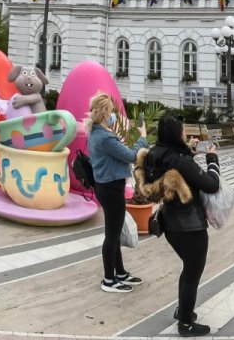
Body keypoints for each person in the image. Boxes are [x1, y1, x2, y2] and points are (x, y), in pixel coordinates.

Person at [139, 114, 221, 337]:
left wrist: (188, 150)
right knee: (193, 273)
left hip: (169, 224)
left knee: (188, 269)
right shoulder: (180, 161)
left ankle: (183, 311)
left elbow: (173, 165)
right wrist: (212, 159)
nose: (186, 134)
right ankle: (185, 323)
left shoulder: (154, 155)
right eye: (183, 131)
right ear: (176, 134)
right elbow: (211, 185)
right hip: (190, 227)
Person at [86, 92, 147, 293]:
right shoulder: (104, 137)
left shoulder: (98, 132)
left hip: (108, 186)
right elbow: (131, 156)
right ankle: (108, 279)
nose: (114, 114)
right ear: (104, 113)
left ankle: (119, 272)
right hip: (111, 188)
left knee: (116, 230)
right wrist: (143, 137)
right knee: (112, 234)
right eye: (111, 111)